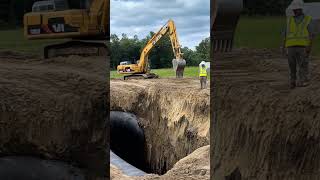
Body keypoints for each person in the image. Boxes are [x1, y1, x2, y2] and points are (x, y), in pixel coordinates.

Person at [282, 0, 316, 89]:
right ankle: (292, 81)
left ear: (301, 9)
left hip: (303, 46)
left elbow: (312, 34)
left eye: (296, 9)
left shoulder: (308, 19)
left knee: (303, 64)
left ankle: (303, 80)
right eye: (294, 9)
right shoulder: (289, 20)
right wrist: (283, 46)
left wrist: (309, 46)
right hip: (290, 47)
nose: (295, 11)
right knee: (291, 65)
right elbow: (285, 34)